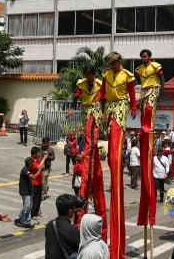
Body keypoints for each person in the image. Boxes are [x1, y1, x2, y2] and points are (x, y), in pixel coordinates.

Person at [99, 51, 137, 259]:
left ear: (119, 62)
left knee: (116, 136)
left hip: (121, 105)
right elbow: (103, 93)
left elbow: (132, 93)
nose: (112, 66)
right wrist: (100, 105)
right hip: (110, 107)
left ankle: (116, 158)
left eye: (114, 63)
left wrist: (133, 107)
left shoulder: (127, 75)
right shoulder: (107, 75)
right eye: (110, 64)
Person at [67, 66, 108, 239]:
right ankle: (89, 154)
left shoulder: (100, 83)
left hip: (96, 110)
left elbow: (105, 99)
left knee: (93, 133)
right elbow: (76, 97)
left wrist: (105, 112)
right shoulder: (81, 84)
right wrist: (71, 109)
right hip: (85, 110)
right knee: (88, 132)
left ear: (94, 75)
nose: (89, 79)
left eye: (91, 75)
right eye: (87, 76)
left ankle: (90, 152)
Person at [135, 49, 164, 228]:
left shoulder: (156, 66)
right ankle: (144, 128)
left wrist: (161, 91)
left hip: (154, 89)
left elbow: (161, 79)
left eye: (146, 56)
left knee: (148, 110)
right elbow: (138, 80)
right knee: (143, 111)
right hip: (145, 90)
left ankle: (148, 127)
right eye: (142, 57)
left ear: (150, 57)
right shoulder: (140, 69)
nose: (144, 59)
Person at [45, 194, 80, 259]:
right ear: (70, 211)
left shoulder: (50, 225)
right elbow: (79, 248)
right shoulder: (72, 229)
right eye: (73, 209)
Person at [28, 146, 49, 221]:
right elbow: (38, 167)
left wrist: (42, 165)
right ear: (34, 154)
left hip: (39, 182)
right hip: (34, 183)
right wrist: (44, 158)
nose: (39, 154)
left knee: (39, 199)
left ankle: (36, 212)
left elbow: (42, 167)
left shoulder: (37, 160)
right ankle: (33, 214)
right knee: (35, 199)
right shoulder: (31, 161)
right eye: (38, 153)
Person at [15, 156, 34, 229]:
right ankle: (18, 219)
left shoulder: (28, 169)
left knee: (29, 207)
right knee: (27, 206)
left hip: (29, 190)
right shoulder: (25, 170)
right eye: (32, 163)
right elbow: (33, 177)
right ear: (29, 163)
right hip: (25, 191)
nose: (33, 164)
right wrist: (39, 171)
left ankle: (27, 222)